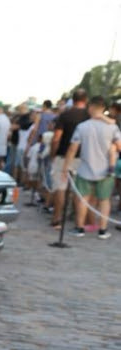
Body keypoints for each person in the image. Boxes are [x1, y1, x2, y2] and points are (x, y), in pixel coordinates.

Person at [63, 95, 121, 238]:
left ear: (90, 108)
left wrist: (66, 166)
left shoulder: (82, 127)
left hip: (85, 169)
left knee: (83, 199)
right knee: (104, 200)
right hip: (107, 170)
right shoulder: (112, 127)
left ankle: (80, 228)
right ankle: (102, 230)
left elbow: (72, 149)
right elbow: (120, 146)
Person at [49, 88, 89, 227]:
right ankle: (77, 219)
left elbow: (56, 138)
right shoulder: (89, 115)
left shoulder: (65, 115)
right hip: (83, 157)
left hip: (63, 154)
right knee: (78, 189)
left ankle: (57, 218)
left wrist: (52, 153)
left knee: (60, 187)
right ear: (86, 99)